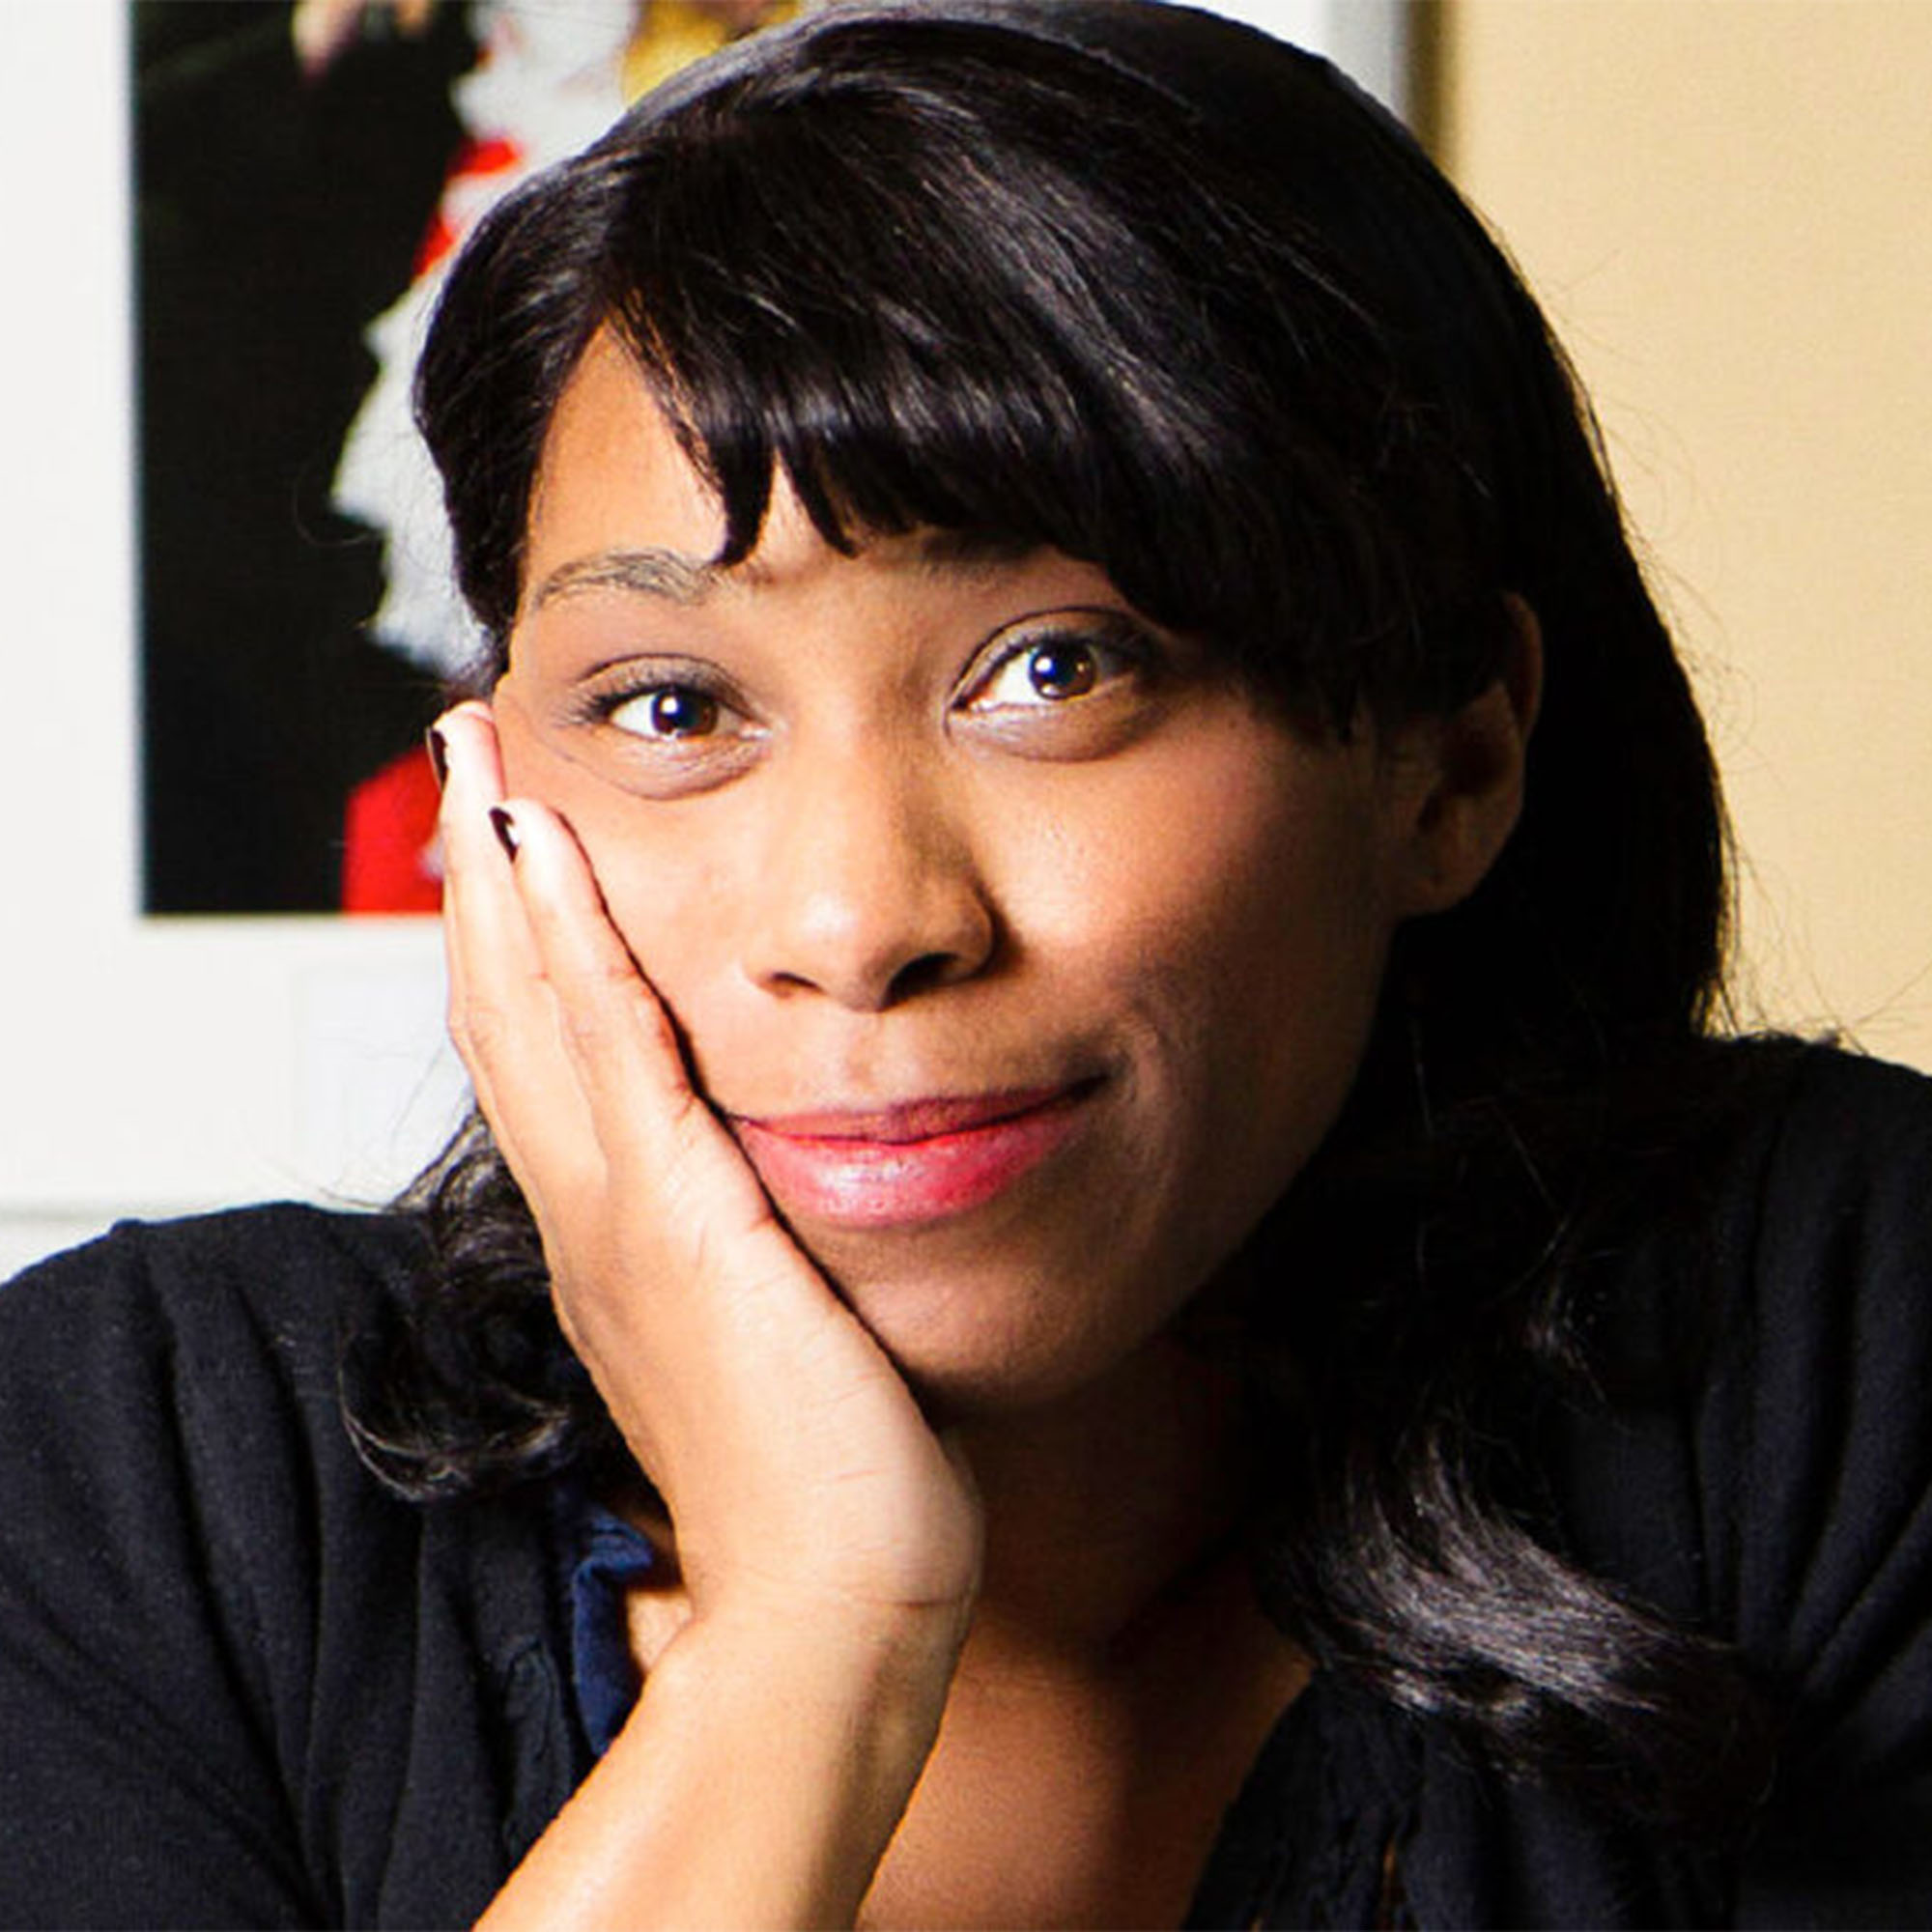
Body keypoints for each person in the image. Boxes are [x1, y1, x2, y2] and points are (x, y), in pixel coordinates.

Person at [4, 3, 1930, 1925]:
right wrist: (808, 1633)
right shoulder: (142, 1479)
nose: (861, 920)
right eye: (669, 702)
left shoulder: (1824, 1342)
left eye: (1056, 670)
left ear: (1448, 760)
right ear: (493, 798)